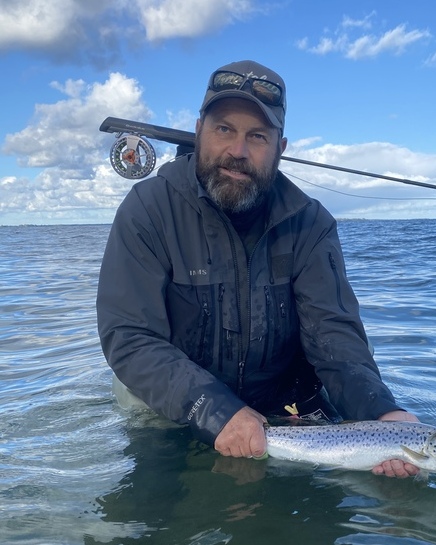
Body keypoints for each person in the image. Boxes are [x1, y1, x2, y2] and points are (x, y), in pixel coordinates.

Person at [97, 60, 419, 478]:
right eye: (224, 129)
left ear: (280, 149)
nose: (238, 150)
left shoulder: (312, 224)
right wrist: (215, 411)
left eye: (257, 136)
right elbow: (128, 335)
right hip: (180, 398)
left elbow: (335, 338)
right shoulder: (147, 209)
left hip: (282, 401)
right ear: (199, 131)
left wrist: (383, 411)